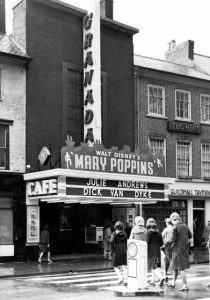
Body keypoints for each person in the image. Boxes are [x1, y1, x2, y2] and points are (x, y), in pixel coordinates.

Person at [168, 212, 192, 291]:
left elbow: (172, 239)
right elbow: (190, 236)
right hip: (185, 249)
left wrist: (167, 243)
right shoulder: (185, 226)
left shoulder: (175, 227)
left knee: (181, 268)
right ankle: (173, 282)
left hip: (177, 249)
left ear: (173, 220)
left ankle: (185, 285)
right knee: (175, 267)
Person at [146, 218, 165, 287]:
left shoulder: (148, 232)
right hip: (157, 249)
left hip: (151, 249)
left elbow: (147, 242)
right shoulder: (158, 232)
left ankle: (160, 277)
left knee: (153, 265)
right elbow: (161, 242)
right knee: (154, 265)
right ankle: (153, 280)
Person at [110, 220, 128, 286]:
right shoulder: (124, 234)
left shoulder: (114, 234)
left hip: (117, 249)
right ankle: (126, 280)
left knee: (115, 265)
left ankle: (120, 278)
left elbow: (111, 241)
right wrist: (126, 249)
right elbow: (126, 242)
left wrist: (112, 248)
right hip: (123, 249)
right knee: (124, 265)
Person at [161, 218, 173, 283]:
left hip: (167, 246)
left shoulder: (166, 229)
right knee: (166, 260)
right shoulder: (174, 228)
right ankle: (165, 274)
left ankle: (176, 273)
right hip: (173, 246)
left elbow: (161, 235)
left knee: (170, 260)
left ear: (167, 223)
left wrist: (162, 243)